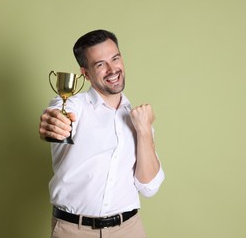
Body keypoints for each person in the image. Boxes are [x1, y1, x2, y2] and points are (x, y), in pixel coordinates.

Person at [39, 29, 165, 238]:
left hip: (128, 229)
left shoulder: (139, 117)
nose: (112, 69)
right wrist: (51, 122)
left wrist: (144, 131)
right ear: (85, 73)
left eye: (115, 59)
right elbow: (55, 118)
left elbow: (149, 187)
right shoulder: (72, 105)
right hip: (74, 231)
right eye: (100, 64)